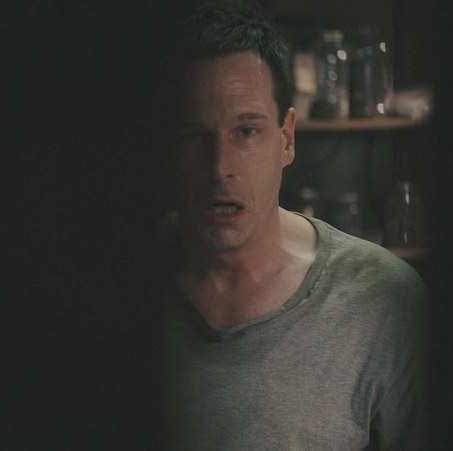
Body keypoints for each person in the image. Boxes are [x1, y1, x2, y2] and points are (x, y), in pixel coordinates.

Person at [155, 1, 430, 449]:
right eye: (193, 136)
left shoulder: (382, 300)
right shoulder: (115, 279)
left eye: (246, 131)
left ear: (286, 139)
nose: (220, 168)